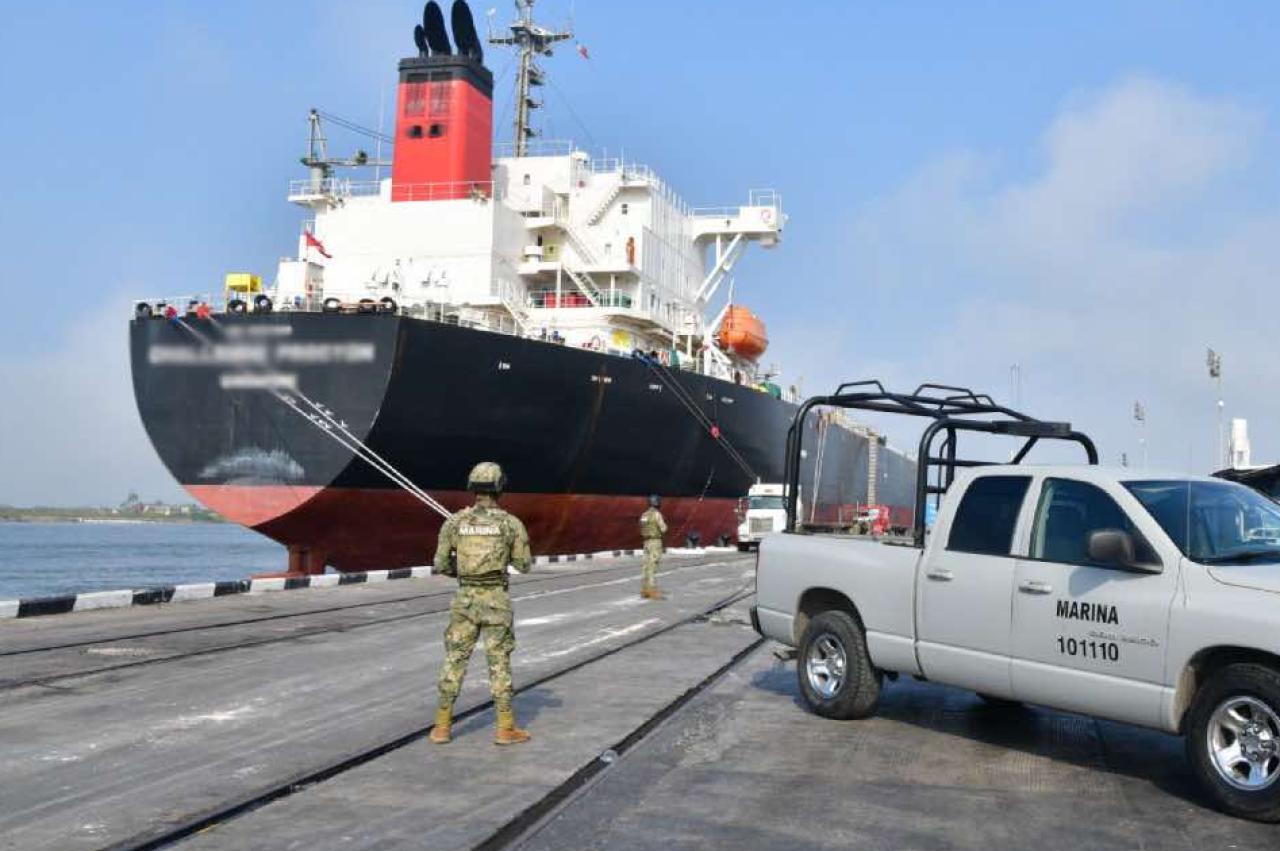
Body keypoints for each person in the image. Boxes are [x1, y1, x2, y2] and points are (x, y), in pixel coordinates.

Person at [429, 462, 533, 746]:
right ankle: (505, 728)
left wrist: (461, 573)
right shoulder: (511, 524)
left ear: (472, 487)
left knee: (455, 658)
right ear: (500, 487)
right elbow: (524, 565)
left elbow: (440, 564)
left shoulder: (454, 522)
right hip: (496, 600)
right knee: (498, 661)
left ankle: (441, 727)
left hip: (464, 599)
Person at [639, 494, 668, 600]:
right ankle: (652, 591)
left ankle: (644, 590)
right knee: (653, 566)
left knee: (645, 566)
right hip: (655, 542)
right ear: (658, 503)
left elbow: (642, 527)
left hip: (646, 542)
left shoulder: (644, 515)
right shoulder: (657, 514)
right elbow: (663, 529)